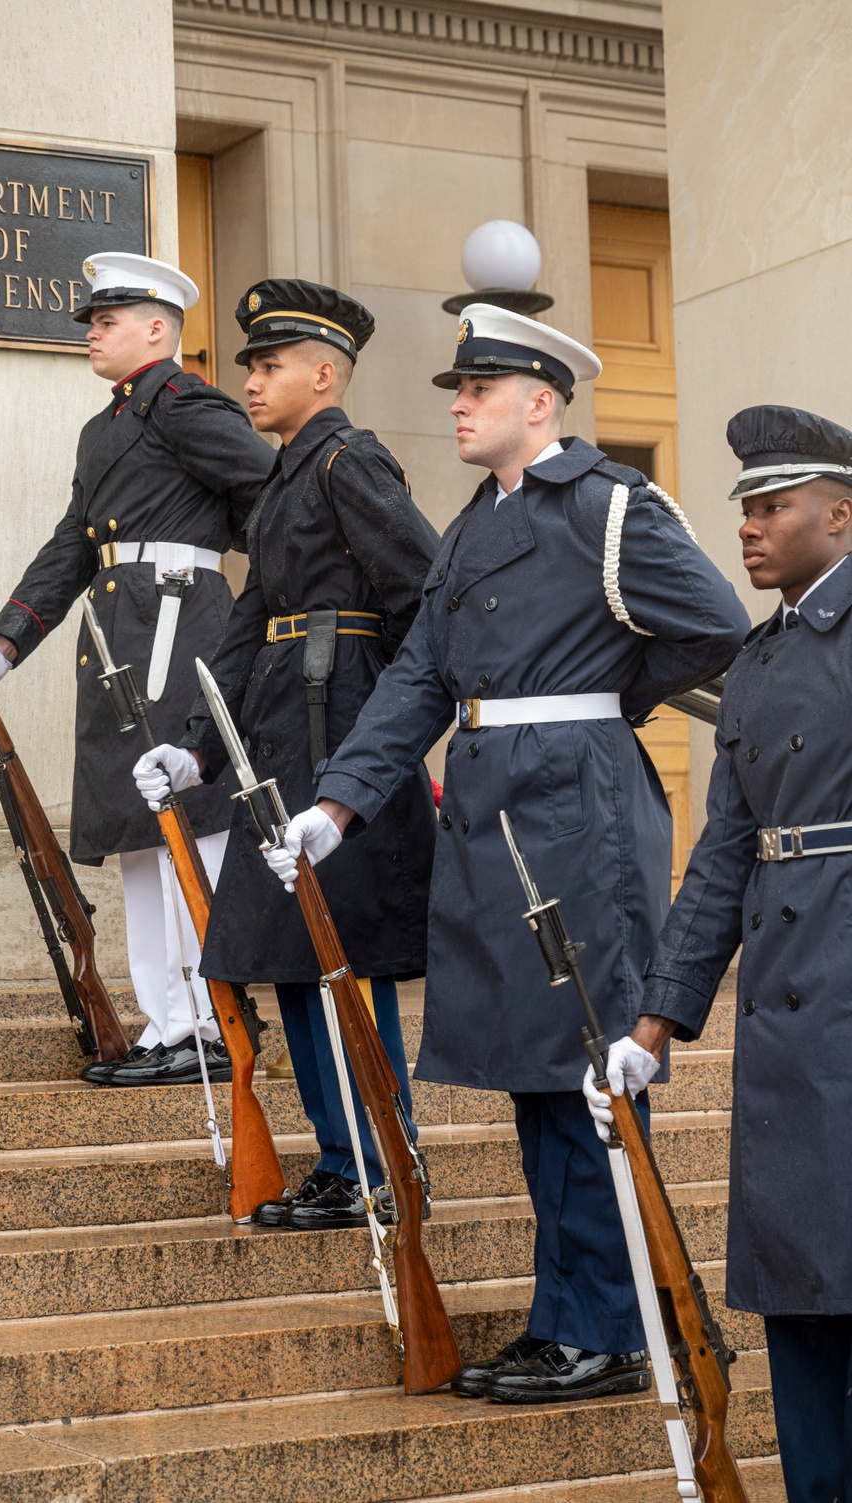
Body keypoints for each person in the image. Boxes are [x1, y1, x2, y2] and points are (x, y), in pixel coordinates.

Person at [266, 303, 749, 1394]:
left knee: (581, 1067)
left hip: (575, 811)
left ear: (539, 402)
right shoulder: (478, 521)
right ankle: (571, 1314)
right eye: (457, 389)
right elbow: (420, 678)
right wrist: (337, 804)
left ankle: (610, 1328)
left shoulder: (607, 505)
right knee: (538, 1077)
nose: (457, 405)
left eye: (476, 390)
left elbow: (714, 625)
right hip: (493, 816)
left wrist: (599, 701)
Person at [585, 406, 852, 1501]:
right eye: (742, 509)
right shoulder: (755, 664)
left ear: (839, 514)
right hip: (787, 1012)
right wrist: (653, 1023)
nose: (746, 528)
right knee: (796, 1281)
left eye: (772, 508)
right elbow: (722, 857)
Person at [133, 278, 440, 1229]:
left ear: (323, 372)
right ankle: (340, 1158)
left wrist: (373, 745)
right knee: (288, 955)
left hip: (341, 741)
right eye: (251, 367)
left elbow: (426, 601)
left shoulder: (352, 464)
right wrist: (195, 752)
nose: (252, 383)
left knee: (344, 958)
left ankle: (384, 1154)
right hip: (275, 741)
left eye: (269, 367)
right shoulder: (280, 484)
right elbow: (246, 624)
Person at [0, 252, 274, 1086]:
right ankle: (169, 1021)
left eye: (107, 320)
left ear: (158, 329)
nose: (91, 333)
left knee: (184, 835)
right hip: (121, 634)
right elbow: (73, 545)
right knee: (140, 837)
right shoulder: (104, 428)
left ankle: (210, 1017)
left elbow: (273, 499)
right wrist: (5, 642)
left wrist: (270, 608)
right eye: (92, 321)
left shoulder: (184, 403)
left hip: (173, 625)